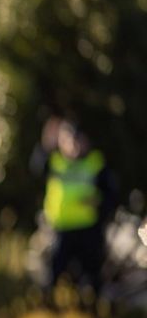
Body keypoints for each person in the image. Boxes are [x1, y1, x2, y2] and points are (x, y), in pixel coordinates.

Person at [34, 118, 116, 294]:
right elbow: (36, 167)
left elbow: (111, 195)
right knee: (53, 274)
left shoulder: (95, 162)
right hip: (61, 228)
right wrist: (45, 143)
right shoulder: (55, 161)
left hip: (89, 228)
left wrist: (99, 203)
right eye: (68, 140)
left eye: (77, 139)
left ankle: (92, 310)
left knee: (92, 276)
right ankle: (50, 308)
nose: (73, 145)